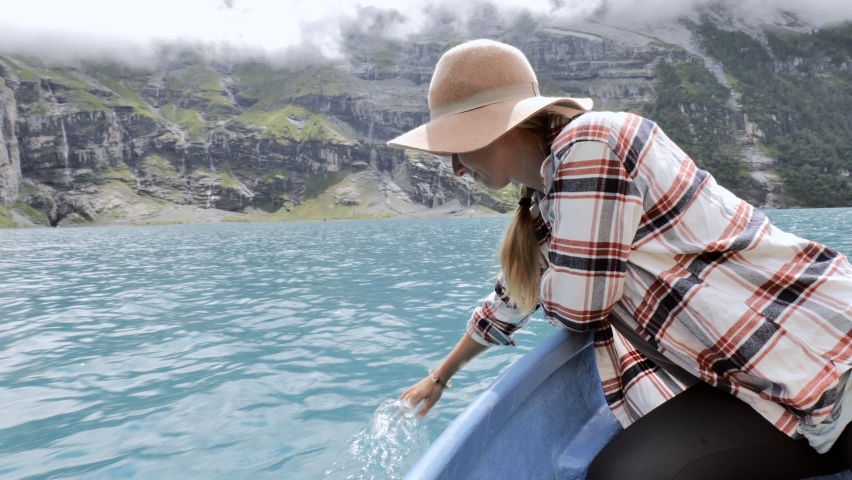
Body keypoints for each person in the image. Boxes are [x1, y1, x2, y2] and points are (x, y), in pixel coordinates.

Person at [387, 39, 852, 479]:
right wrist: (440, 377)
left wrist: (544, 274)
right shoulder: (547, 204)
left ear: (503, 126)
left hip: (826, 364)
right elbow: (508, 302)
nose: (457, 167)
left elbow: (580, 305)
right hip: (761, 375)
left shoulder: (592, 143)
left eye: (459, 144)